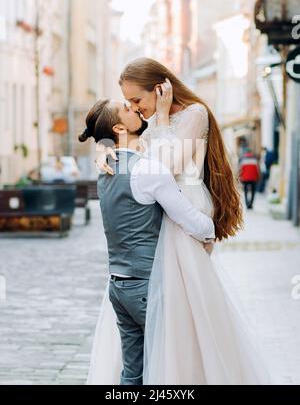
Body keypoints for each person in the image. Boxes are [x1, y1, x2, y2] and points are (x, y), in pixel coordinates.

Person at [89, 57, 271, 385]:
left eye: (136, 100)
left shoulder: (193, 114)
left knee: (185, 310)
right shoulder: (145, 125)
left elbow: (168, 164)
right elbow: (135, 157)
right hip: (160, 211)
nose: (135, 108)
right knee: (157, 312)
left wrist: (158, 117)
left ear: (160, 89)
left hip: (183, 207)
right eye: (129, 104)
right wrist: (106, 151)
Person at [79, 99, 215, 385]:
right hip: (146, 285)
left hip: (117, 285)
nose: (136, 110)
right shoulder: (148, 171)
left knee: (133, 374)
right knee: (167, 370)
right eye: (128, 109)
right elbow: (188, 219)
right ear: (118, 127)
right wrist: (210, 228)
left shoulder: (106, 171)